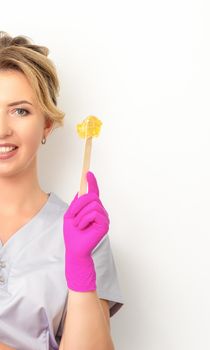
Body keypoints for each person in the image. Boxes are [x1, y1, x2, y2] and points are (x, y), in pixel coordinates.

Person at [0, 31, 124, 350]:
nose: (2, 129)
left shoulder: (80, 232)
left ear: (46, 124)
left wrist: (80, 266)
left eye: (20, 110)